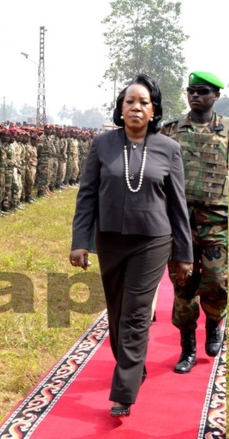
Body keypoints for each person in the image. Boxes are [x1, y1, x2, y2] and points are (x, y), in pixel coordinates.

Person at [70, 74, 193, 417]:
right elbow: (87, 196)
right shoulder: (103, 145)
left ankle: (124, 392)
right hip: (109, 238)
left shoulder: (169, 149)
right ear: (120, 109)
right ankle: (133, 365)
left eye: (143, 102)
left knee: (137, 312)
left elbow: (177, 206)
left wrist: (183, 253)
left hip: (152, 240)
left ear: (154, 111)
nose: (136, 107)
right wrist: (80, 241)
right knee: (118, 311)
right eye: (129, 101)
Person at [161, 71, 228, 374]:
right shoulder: (170, 131)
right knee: (183, 287)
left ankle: (214, 323)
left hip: (218, 223)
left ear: (216, 96)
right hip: (180, 224)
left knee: (216, 282)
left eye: (202, 91)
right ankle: (187, 346)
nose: (194, 95)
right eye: (190, 90)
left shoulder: (227, 131)